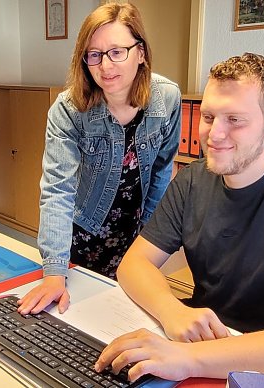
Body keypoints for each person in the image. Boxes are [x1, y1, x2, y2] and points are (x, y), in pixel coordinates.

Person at [94, 53, 264, 382]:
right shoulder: (193, 180)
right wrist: (172, 311)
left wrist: (190, 358)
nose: (214, 134)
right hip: (207, 347)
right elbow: (134, 264)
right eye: (209, 116)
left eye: (234, 120)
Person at [17, 3, 181, 315]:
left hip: (135, 235)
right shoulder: (68, 110)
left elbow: (162, 171)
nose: (105, 66)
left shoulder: (168, 98)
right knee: (81, 317)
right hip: (82, 234)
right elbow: (57, 191)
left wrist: (149, 239)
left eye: (117, 51)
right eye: (94, 54)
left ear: (141, 52)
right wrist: (54, 271)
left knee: (127, 317)